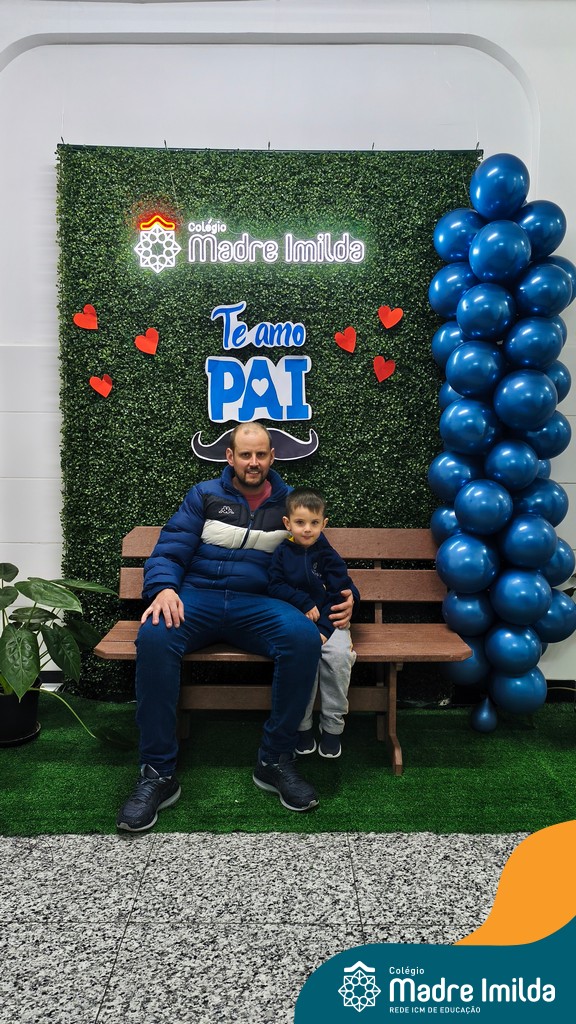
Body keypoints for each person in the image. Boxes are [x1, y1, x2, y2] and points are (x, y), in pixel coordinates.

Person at [116, 421, 355, 832]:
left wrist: (349, 598)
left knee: (303, 638)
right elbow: (169, 549)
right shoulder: (204, 495)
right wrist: (164, 589)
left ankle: (275, 760)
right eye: (246, 454)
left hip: (258, 603)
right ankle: (157, 772)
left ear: (272, 457)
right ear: (230, 457)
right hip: (197, 598)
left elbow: (324, 560)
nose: (253, 462)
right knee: (154, 635)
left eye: (261, 454)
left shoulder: (289, 504)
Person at [268, 488, 358, 759]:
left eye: (314, 522)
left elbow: (340, 593)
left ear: (323, 524)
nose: (307, 529)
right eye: (300, 522)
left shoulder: (328, 555)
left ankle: (332, 729)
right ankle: (303, 727)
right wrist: (303, 602)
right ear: (288, 523)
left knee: (338, 657)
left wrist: (325, 630)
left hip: (331, 622)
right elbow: (274, 586)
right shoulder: (282, 553)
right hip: (296, 619)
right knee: (302, 659)